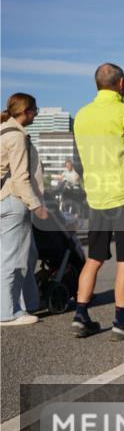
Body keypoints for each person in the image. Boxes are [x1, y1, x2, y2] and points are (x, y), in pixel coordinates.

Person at [71, 64, 124, 340]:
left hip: (97, 196)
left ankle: (80, 315)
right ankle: (121, 320)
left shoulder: (82, 115)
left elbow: (77, 160)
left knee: (94, 258)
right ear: (121, 84)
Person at [1, 93, 48, 326]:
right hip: (13, 200)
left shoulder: (2, 131)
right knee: (14, 259)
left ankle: (25, 304)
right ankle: (7, 312)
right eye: (35, 111)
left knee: (17, 256)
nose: (36, 115)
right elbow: (21, 179)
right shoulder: (17, 137)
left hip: (3, 200)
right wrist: (36, 205)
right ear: (26, 111)